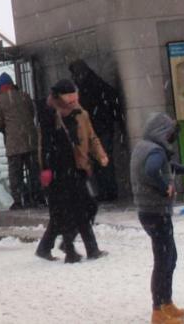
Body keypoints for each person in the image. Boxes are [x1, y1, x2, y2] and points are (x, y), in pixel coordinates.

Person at [131, 113, 184, 323]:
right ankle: (158, 310)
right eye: (169, 133)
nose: (171, 137)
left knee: (169, 257)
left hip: (148, 211)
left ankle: (166, 303)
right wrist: (165, 187)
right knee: (164, 260)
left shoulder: (145, 146)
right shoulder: (155, 150)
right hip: (156, 211)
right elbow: (152, 170)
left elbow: (165, 166)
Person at [37, 79, 108, 263]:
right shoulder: (50, 114)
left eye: (74, 93)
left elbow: (91, 137)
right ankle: (80, 250)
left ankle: (48, 247)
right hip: (59, 169)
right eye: (70, 94)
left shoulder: (80, 113)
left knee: (86, 207)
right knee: (72, 210)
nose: (74, 97)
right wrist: (46, 168)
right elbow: (44, 144)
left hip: (79, 167)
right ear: (60, 95)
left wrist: (100, 155)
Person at [69, 59, 125, 201]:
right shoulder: (96, 83)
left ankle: (104, 192)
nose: (73, 79)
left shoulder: (88, 87)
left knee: (101, 162)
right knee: (105, 161)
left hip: (98, 129)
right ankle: (108, 191)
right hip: (103, 127)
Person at [0, 72, 40, 209]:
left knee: (15, 173)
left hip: (14, 143)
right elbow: (32, 113)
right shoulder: (25, 96)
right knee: (34, 170)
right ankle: (37, 197)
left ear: (0, 87)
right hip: (30, 140)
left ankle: (18, 201)